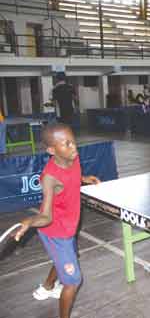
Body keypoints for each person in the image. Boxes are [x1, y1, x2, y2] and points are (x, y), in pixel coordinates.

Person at [14, 123, 100, 318]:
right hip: (55, 232)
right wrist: (28, 222)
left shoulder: (73, 157)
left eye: (73, 142)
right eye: (66, 144)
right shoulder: (50, 177)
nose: (74, 147)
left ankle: (46, 287)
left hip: (68, 227)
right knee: (72, 281)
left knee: (68, 257)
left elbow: (73, 176)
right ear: (52, 150)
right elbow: (45, 216)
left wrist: (84, 179)